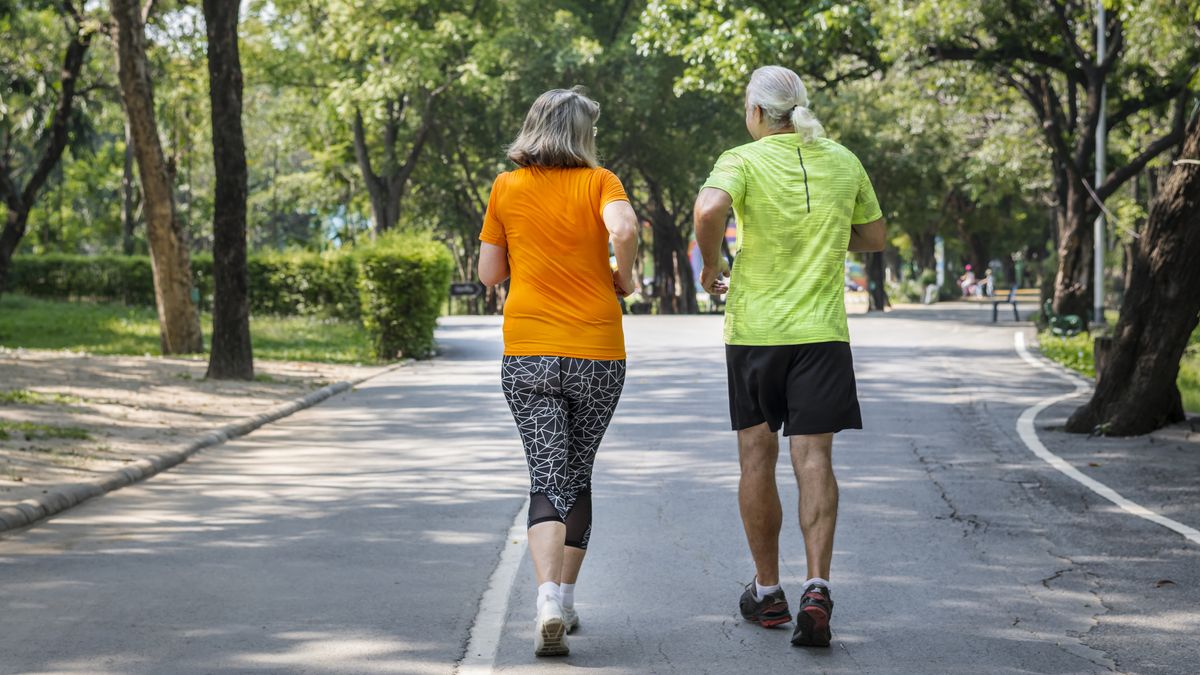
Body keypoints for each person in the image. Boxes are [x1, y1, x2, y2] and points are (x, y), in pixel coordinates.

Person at [693, 65, 886, 648]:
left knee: (757, 457)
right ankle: (818, 585)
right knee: (815, 460)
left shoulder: (742, 159)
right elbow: (873, 237)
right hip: (822, 335)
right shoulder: (843, 159)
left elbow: (707, 212)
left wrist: (710, 266)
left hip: (755, 333)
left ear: (756, 113)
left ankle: (769, 592)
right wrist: (824, 234)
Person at [477, 86, 638, 657]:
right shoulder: (602, 182)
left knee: (547, 474)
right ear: (582, 134)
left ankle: (546, 599)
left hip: (529, 353)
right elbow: (622, 228)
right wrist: (626, 274)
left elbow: (491, 273)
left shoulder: (505, 186)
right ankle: (566, 600)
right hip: (597, 351)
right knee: (579, 472)